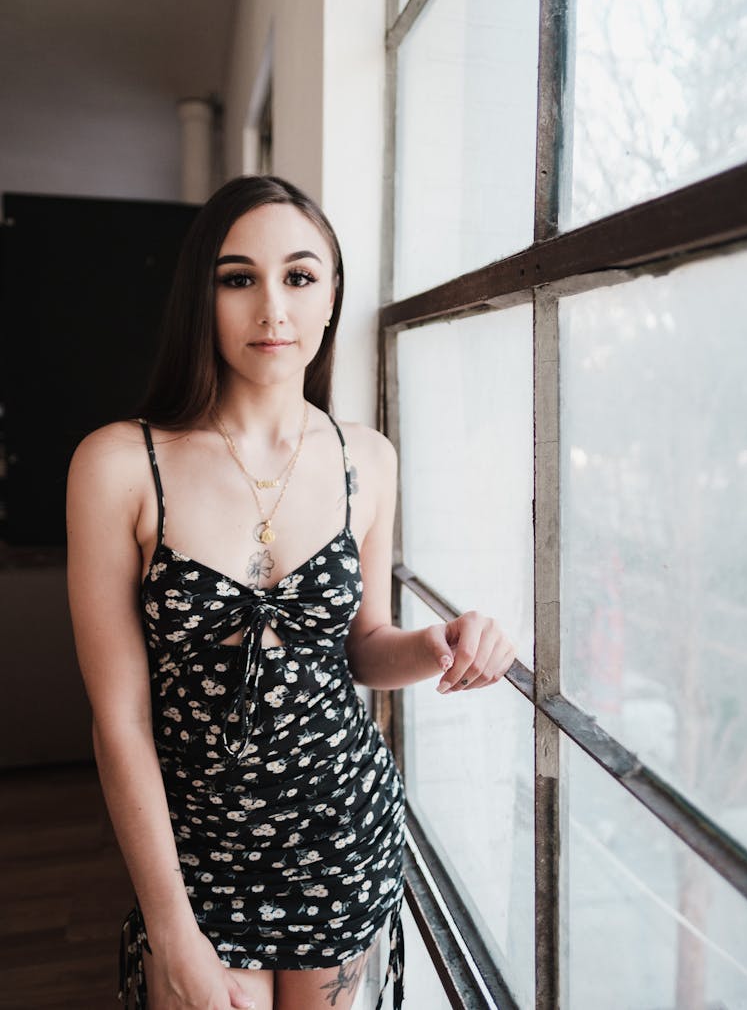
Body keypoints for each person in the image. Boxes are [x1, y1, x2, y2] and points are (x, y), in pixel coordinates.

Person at [67, 175, 516, 1010]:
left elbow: (363, 645)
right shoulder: (121, 465)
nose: (272, 307)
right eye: (238, 278)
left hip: (342, 831)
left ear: (333, 295)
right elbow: (119, 719)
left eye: (299, 277)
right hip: (194, 852)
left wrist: (438, 644)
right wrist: (171, 927)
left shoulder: (366, 460)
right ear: (201, 297)